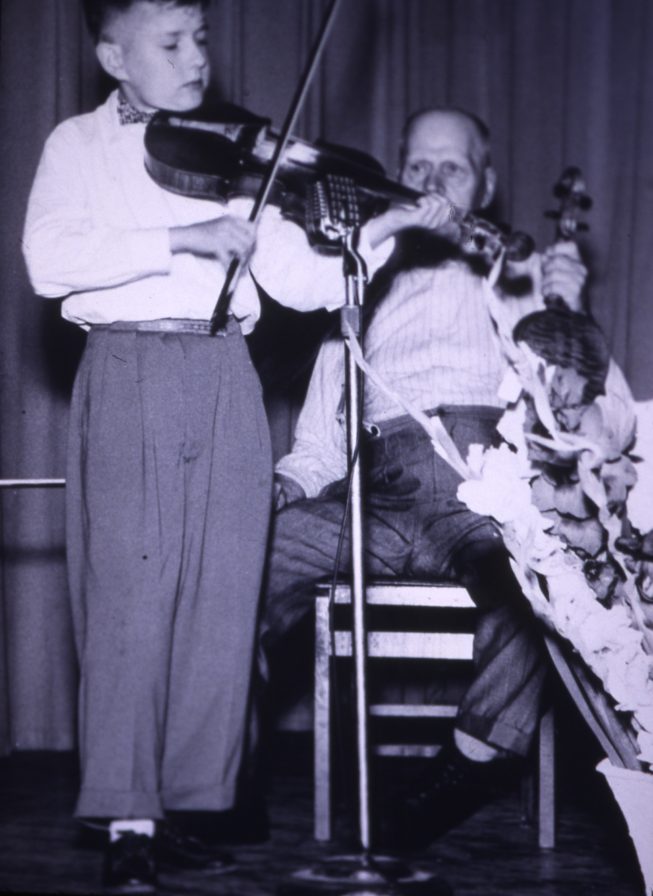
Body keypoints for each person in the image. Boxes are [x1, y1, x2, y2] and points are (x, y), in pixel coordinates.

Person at [21, 1, 392, 891]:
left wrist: (376, 235)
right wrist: (179, 238)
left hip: (227, 373)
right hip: (131, 366)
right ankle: (127, 823)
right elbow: (47, 260)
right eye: (171, 43)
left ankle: (181, 808)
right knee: (130, 604)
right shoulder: (78, 145)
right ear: (115, 56)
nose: (196, 58)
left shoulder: (229, 157)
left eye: (201, 39)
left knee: (221, 606)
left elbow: (298, 281)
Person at [260, 107, 633, 847]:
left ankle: (466, 764)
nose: (431, 182)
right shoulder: (356, 271)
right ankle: (217, 765)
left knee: (550, 583)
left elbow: (612, 421)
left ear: (485, 186)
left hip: (485, 484)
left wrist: (572, 311)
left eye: (451, 168)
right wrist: (286, 489)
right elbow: (317, 447)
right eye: (417, 167)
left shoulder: (525, 278)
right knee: (241, 560)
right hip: (373, 490)